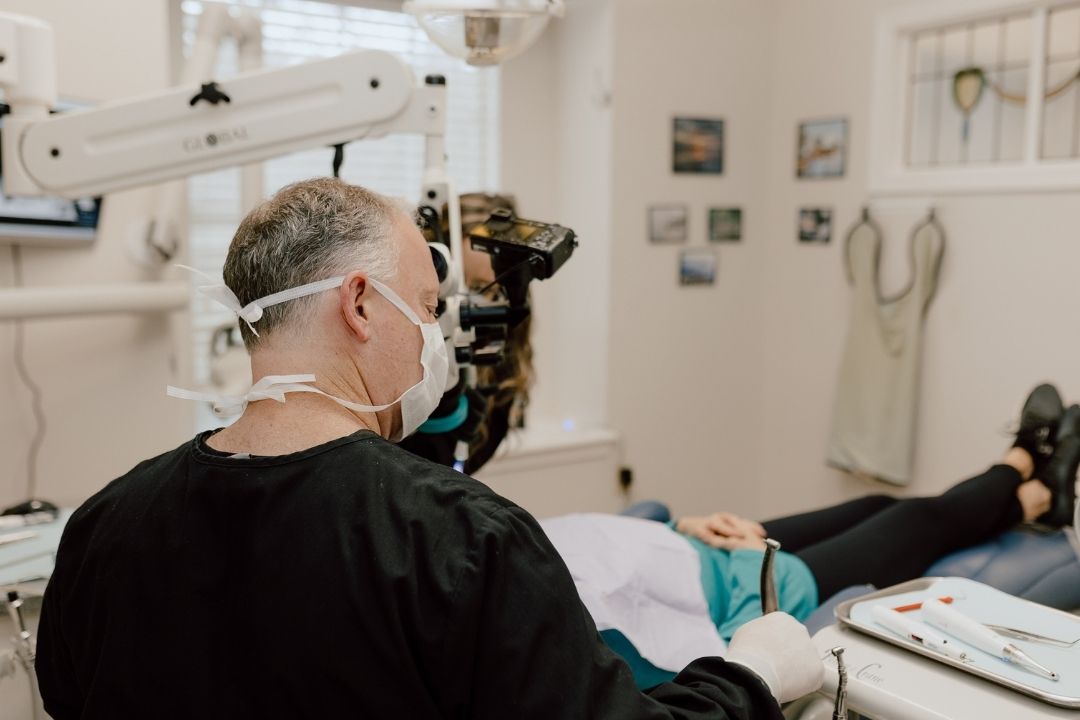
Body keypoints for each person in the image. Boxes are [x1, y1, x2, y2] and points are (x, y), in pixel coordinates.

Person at [33, 178, 823, 719]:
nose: (439, 338)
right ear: (361, 305)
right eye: (427, 306)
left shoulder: (104, 525)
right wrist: (749, 677)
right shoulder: (459, 541)